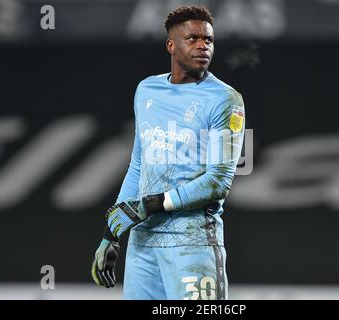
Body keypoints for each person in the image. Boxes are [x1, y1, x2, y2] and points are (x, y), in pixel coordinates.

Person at [91, 5, 245, 300]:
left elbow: (218, 182)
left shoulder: (225, 100)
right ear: (171, 45)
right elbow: (139, 166)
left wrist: (150, 205)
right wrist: (112, 235)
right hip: (143, 244)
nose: (203, 45)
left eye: (208, 40)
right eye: (193, 38)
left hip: (192, 242)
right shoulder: (147, 90)